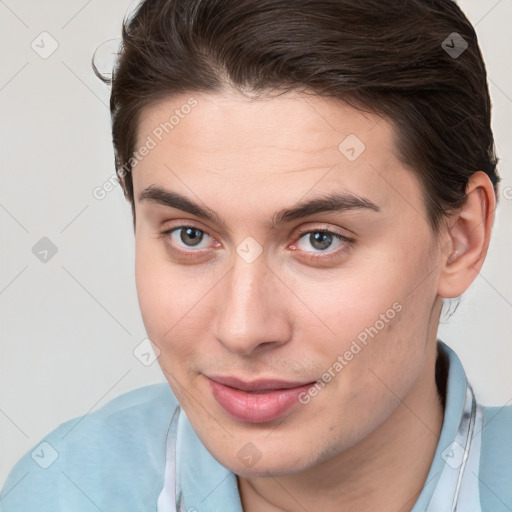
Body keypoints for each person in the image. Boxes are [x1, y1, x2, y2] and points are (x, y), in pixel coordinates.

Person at [1, 0, 510, 510]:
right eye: (190, 236)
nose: (242, 330)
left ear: (460, 239)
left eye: (320, 239)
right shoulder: (61, 490)